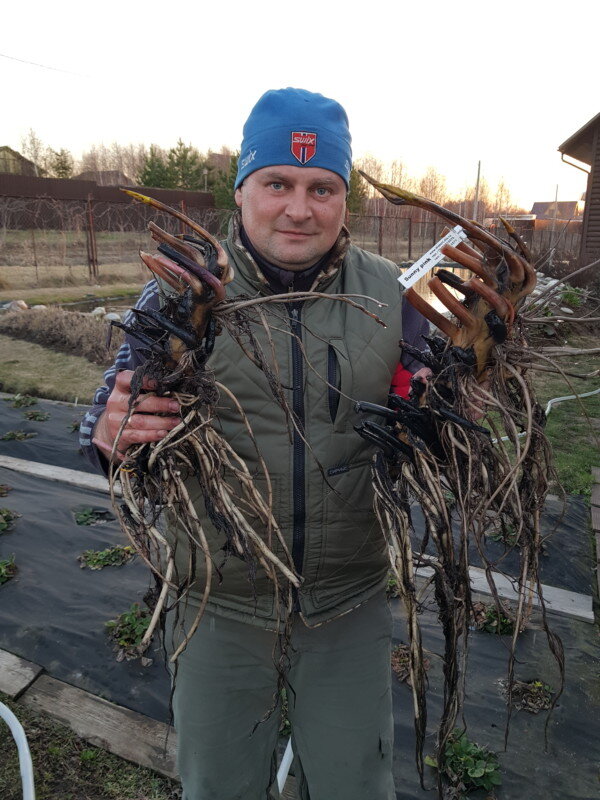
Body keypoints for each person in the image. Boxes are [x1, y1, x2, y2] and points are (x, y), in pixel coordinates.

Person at [80, 87, 430, 800]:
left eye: (321, 188)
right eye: (277, 183)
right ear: (242, 190)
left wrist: (444, 420)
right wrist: (107, 435)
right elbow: (115, 410)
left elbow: (429, 405)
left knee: (357, 785)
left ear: (343, 200)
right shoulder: (178, 294)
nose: (299, 208)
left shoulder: (392, 299)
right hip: (218, 605)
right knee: (217, 787)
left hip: (347, 604)